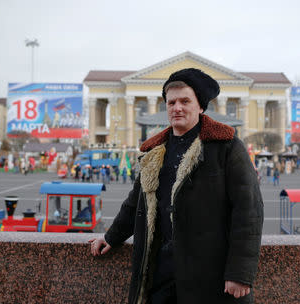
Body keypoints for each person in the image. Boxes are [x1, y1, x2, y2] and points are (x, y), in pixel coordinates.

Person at [89, 68, 264, 304]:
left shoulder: (227, 146)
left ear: (200, 106)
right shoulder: (155, 151)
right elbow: (136, 203)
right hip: (161, 271)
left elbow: (249, 211)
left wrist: (240, 273)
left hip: (209, 272)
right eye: (171, 103)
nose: (176, 108)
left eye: (185, 101)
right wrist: (112, 237)